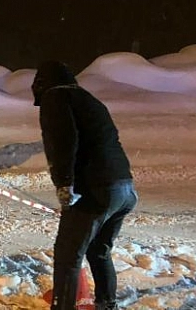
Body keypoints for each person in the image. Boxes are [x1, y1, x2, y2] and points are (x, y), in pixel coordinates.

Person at [32, 60, 138, 310]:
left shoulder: (56, 97)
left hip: (95, 190)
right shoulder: (89, 100)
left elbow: (63, 141)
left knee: (68, 257)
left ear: (42, 84)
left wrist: (64, 183)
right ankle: (106, 304)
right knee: (98, 250)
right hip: (124, 187)